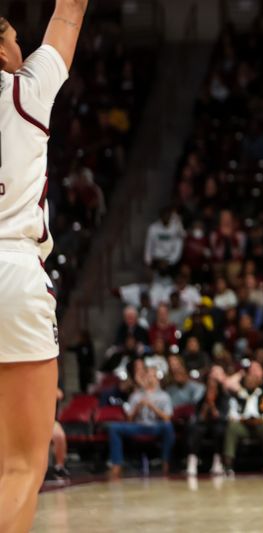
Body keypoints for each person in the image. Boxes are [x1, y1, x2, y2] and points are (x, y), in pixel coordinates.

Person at [0, 3, 88, 531]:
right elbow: (71, 9)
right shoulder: (23, 90)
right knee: (21, 466)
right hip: (12, 268)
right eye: (13, 39)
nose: (22, 48)